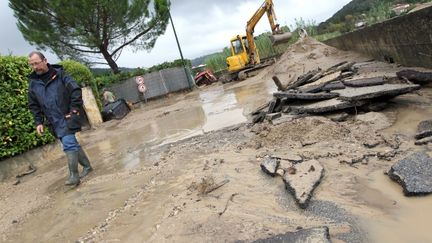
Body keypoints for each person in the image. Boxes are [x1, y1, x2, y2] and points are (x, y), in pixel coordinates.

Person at [27, 51, 93, 186]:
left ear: (45, 60)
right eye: (32, 64)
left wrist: (74, 110)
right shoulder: (33, 84)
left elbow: (75, 90)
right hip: (53, 121)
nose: (35, 67)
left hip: (68, 116)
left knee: (68, 143)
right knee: (71, 143)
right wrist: (38, 122)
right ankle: (87, 167)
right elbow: (33, 105)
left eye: (37, 63)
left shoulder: (61, 75)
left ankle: (74, 175)